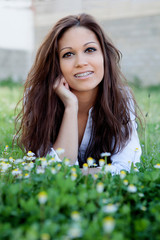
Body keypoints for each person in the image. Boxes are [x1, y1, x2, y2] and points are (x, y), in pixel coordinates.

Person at [16, 13, 141, 175]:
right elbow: (52, 171)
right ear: (56, 64)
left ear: (104, 56)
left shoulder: (121, 99)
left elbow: (126, 167)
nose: (81, 62)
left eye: (90, 50)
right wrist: (70, 106)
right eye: (68, 54)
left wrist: (73, 174)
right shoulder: (38, 98)